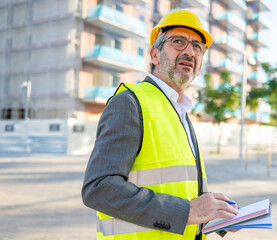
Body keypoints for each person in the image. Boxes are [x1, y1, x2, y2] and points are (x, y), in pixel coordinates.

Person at [82, 9, 238, 240]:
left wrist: (214, 214)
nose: (189, 51)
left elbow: (176, 187)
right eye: (178, 42)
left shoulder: (180, 110)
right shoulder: (130, 102)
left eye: (197, 47)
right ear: (155, 55)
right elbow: (99, 188)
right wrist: (188, 211)